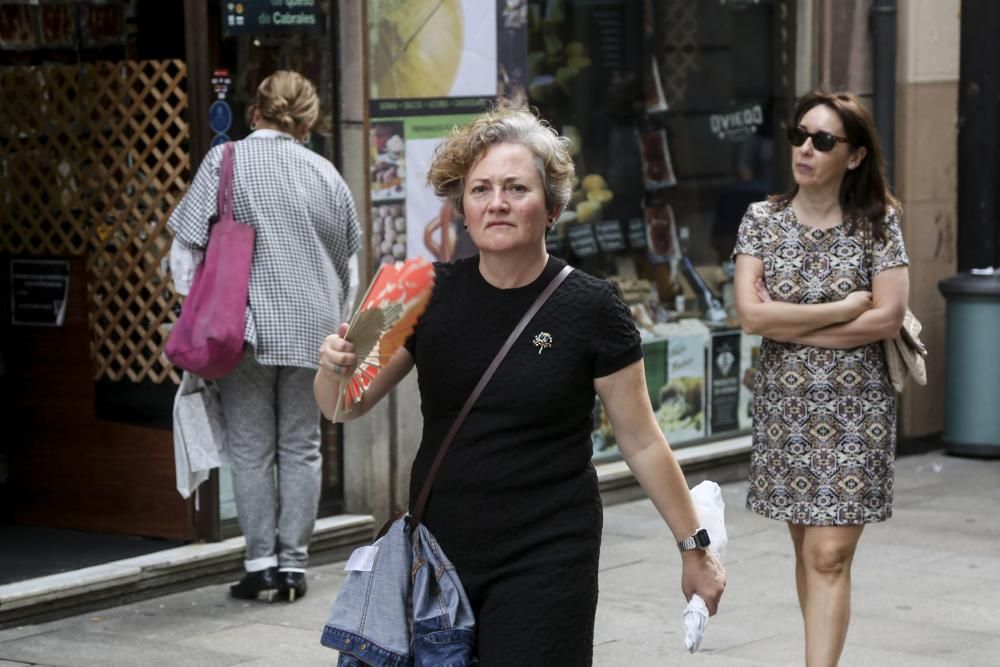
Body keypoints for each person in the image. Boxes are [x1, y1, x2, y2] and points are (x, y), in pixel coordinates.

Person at [314, 106, 725, 665]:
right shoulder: (417, 290)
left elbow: (643, 439)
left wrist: (694, 548)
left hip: (548, 554)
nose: (497, 203)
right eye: (480, 189)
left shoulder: (592, 307)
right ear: (462, 207)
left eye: (515, 187)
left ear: (552, 207)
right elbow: (344, 405)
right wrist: (333, 368)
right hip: (440, 555)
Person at [732, 90, 910, 666]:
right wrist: (839, 310)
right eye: (800, 136)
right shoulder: (761, 220)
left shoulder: (878, 224)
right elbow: (752, 316)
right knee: (809, 549)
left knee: (830, 554)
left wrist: (791, 328)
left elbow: (885, 317)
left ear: (854, 156)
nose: (805, 149)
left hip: (857, 410)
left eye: (823, 141)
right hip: (786, 408)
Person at [169, 70, 361, 603]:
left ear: (255, 112)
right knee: (302, 448)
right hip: (315, 330)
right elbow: (352, 263)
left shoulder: (226, 161)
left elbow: (184, 252)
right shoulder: (327, 173)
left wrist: (194, 304)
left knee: (251, 449)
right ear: (309, 121)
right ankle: (295, 568)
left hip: (244, 326)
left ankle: (260, 565)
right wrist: (335, 320)